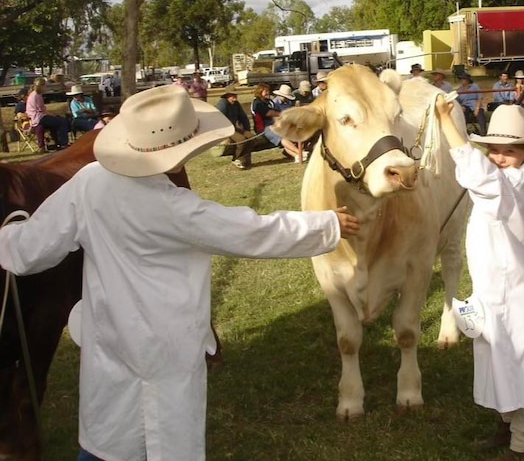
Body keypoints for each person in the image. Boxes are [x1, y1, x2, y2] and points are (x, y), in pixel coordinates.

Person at [0, 85, 360, 461]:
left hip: (109, 337)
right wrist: (326, 225)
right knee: (165, 437)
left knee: (108, 439)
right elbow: (252, 232)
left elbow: (27, 251)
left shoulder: (88, 183)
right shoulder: (173, 207)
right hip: (167, 348)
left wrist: (8, 236)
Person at [434, 100, 524, 461]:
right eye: (494, 151)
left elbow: (483, 180)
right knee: (492, 351)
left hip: (511, 288)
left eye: (509, 151)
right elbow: (482, 179)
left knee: (517, 357)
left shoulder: (518, 184)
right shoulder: (502, 178)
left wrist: (450, 127)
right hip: (492, 286)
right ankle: (506, 423)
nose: (499, 158)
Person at [251, 83, 304, 163]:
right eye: (265, 91)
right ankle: (300, 153)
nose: (268, 93)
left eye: (268, 91)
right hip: (264, 127)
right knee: (282, 138)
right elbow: (269, 113)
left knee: (289, 136)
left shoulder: (268, 102)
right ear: (260, 92)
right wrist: (283, 115)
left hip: (273, 124)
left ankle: (296, 156)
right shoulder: (257, 103)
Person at [25, 77, 70, 150]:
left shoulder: (34, 94)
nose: (46, 88)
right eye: (45, 86)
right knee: (62, 121)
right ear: (41, 86)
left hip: (36, 117)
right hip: (39, 118)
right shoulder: (36, 95)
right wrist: (53, 115)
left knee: (55, 122)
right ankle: (63, 143)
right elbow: (42, 110)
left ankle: (57, 143)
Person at [216, 89, 256, 170]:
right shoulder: (222, 104)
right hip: (225, 129)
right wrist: (223, 135)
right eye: (232, 96)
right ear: (227, 96)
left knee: (251, 137)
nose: (235, 98)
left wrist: (247, 130)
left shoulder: (236, 104)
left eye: (235, 95)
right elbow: (218, 119)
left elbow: (243, 117)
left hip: (234, 128)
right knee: (241, 140)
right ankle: (236, 159)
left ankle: (246, 160)